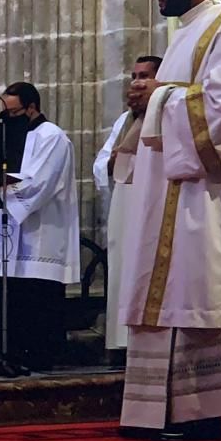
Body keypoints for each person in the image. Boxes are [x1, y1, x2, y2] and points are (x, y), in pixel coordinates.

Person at [119, 0, 221, 438]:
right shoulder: (186, 33)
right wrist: (150, 102)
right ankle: (157, 410)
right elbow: (179, 99)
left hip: (204, 194)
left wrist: (160, 97)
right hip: (168, 194)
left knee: (196, 292)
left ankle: (200, 412)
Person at [0, 81, 77, 372]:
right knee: (9, 288)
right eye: (4, 113)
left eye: (13, 111)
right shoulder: (12, 136)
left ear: (32, 108)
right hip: (12, 225)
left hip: (41, 229)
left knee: (34, 292)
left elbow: (42, 182)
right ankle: (6, 353)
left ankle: (38, 354)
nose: (8, 118)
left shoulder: (53, 137)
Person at [92, 56, 161, 354]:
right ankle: (121, 342)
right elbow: (101, 162)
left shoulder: (165, 114)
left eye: (144, 75)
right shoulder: (124, 120)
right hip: (124, 201)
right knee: (123, 268)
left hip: (151, 202)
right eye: (134, 75)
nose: (136, 81)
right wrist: (111, 160)